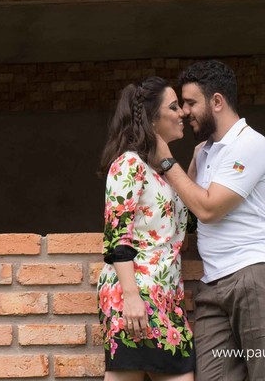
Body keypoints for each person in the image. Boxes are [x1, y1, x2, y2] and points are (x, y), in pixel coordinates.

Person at [153, 59, 265, 381]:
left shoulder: (250, 144)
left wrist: (165, 159)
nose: (185, 111)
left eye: (190, 102)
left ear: (217, 101)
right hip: (214, 284)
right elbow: (187, 210)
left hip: (258, 274)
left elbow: (209, 209)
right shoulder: (204, 151)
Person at [97, 76, 195, 381]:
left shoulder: (164, 174)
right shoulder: (129, 164)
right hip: (135, 294)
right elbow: (118, 238)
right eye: (174, 106)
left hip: (168, 297)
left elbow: (188, 229)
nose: (183, 114)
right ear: (153, 120)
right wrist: (131, 297)